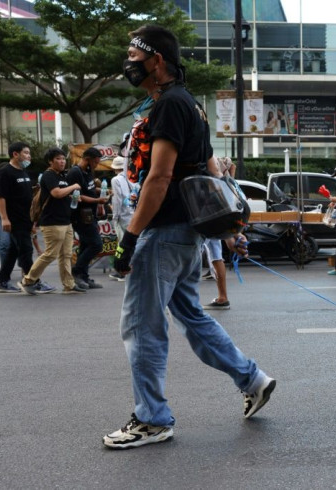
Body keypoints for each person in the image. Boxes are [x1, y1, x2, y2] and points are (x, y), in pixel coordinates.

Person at [104, 25, 274, 449]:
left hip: (164, 232)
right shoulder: (188, 105)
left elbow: (159, 177)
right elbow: (211, 167)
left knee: (142, 326)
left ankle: (152, 419)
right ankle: (252, 378)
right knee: (191, 315)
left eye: (133, 55)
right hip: (186, 234)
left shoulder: (169, 106)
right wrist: (230, 230)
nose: (128, 62)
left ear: (155, 60)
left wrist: (129, 237)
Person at [20, 148, 85, 294]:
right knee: (50, 254)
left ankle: (69, 284)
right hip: (52, 221)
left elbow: (63, 193)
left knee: (66, 255)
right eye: (58, 159)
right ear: (51, 161)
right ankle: (28, 280)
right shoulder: (49, 175)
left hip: (66, 221)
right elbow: (56, 193)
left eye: (63, 158)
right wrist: (73, 186)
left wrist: (73, 196)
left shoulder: (62, 175)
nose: (62, 161)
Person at [0, 141, 48, 293]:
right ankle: (32, 281)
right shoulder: (5, 172)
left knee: (13, 251)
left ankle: (2, 280)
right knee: (26, 250)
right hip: (14, 220)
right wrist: (4, 218)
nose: (29, 156)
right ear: (15, 154)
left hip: (26, 219)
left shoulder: (23, 172)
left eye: (29, 153)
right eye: (26, 153)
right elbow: (1, 197)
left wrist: (33, 220)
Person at [67, 147, 108, 289]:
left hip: (90, 214)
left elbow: (89, 189)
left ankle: (83, 276)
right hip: (80, 215)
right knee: (96, 244)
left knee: (85, 245)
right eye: (95, 162)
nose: (96, 165)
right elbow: (78, 195)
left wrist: (104, 191)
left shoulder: (87, 171)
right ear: (87, 159)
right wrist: (98, 201)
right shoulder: (75, 173)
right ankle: (77, 272)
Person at [202, 155, 237, 310]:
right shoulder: (226, 182)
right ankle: (223, 297)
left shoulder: (213, 177)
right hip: (215, 222)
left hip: (204, 221)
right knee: (216, 258)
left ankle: (187, 303)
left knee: (193, 256)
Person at [109, 156, 134, 281]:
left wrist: (115, 215)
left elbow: (117, 199)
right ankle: (130, 268)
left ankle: (122, 270)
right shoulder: (132, 177)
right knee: (132, 243)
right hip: (133, 213)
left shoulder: (115, 180)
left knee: (122, 243)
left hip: (122, 215)